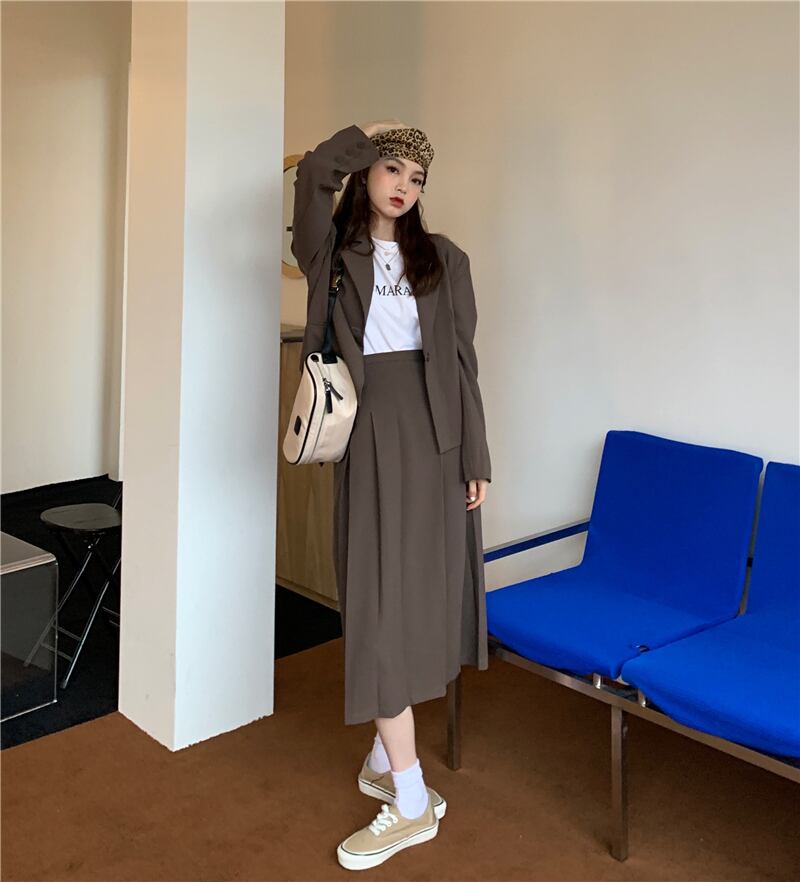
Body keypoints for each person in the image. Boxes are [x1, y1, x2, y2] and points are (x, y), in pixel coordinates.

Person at [290, 119, 492, 871]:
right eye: (392, 169)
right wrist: (362, 136)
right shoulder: (330, 252)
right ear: (366, 174)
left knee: (418, 594)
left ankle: (399, 783)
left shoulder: (445, 259)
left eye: (417, 177)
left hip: (438, 441)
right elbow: (311, 177)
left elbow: (463, 362)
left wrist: (477, 456)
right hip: (371, 431)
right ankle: (407, 791)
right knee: (375, 599)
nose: (404, 186)